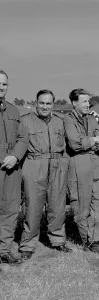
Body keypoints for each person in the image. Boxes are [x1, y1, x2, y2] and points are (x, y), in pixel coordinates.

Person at [19, 90, 72, 260]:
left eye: (48, 103)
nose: (45, 106)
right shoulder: (25, 121)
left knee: (57, 204)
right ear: (36, 103)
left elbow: (67, 145)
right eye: (41, 103)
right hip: (34, 163)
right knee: (33, 206)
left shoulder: (60, 121)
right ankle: (28, 244)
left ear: (53, 104)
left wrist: (64, 163)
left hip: (57, 164)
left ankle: (57, 240)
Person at [64, 88, 99, 254]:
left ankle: (95, 240)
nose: (88, 104)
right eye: (84, 101)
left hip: (95, 162)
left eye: (88, 101)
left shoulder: (91, 118)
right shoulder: (68, 119)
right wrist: (93, 140)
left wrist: (93, 141)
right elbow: (75, 144)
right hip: (78, 164)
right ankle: (86, 240)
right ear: (74, 103)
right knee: (81, 204)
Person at [0, 70, 28, 264]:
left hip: (11, 168)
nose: (1, 87)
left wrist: (15, 156)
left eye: (4, 84)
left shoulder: (14, 110)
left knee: (10, 209)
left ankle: (4, 250)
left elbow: (23, 138)